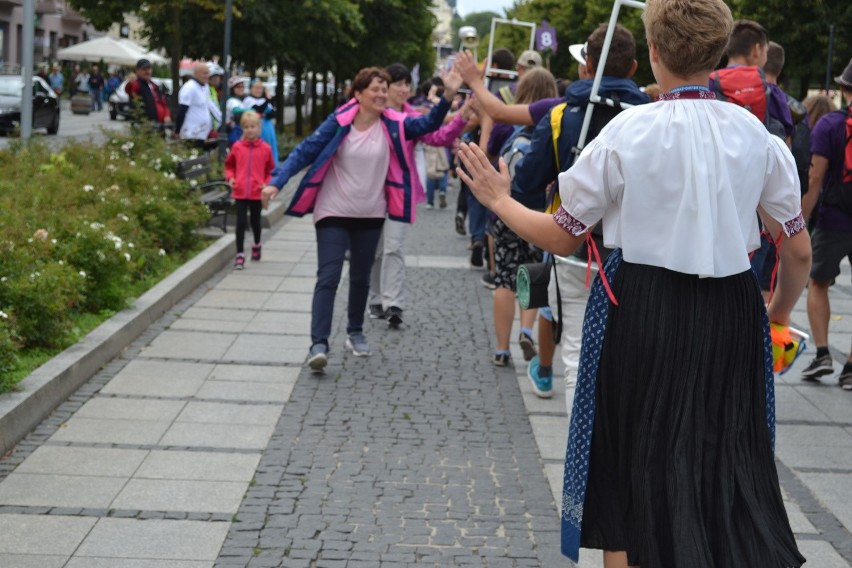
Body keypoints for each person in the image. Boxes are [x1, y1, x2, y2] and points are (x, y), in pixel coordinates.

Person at [457, 0, 810, 565]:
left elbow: (563, 236)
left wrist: (499, 200)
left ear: (653, 51)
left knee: (629, 465)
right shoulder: (758, 135)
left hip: (641, 307)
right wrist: (777, 314)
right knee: (725, 458)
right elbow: (796, 248)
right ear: (718, 53)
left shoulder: (626, 133)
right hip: (732, 309)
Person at [261, 66, 462, 371]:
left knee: (359, 278)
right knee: (328, 277)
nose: (383, 94)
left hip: (370, 214)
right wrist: (278, 180)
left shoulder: (395, 125)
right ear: (358, 94)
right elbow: (306, 151)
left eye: (385, 89)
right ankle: (319, 344)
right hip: (333, 212)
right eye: (376, 90)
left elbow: (429, 124)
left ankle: (355, 332)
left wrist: (448, 95)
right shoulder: (339, 122)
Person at [512, 23, 649, 402]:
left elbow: (525, 186)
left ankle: (580, 458)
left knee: (576, 354)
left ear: (587, 64)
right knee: (629, 360)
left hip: (573, 249)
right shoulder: (655, 119)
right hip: (637, 253)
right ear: (635, 67)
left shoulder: (561, 116)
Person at [367, 63, 470, 328]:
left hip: (399, 191)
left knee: (394, 247)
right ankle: (376, 298)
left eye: (406, 84)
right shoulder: (373, 115)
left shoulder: (413, 116)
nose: (403, 89)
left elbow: (438, 136)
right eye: (397, 84)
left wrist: (462, 117)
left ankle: (394, 304)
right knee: (375, 250)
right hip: (370, 192)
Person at [800, 58, 852, 390]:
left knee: (818, 283)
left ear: (845, 90)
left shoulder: (829, 125)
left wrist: (800, 222)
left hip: (834, 219)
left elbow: (815, 177)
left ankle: (822, 353)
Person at [225, 111, 276, 270]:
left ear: (259, 128)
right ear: (242, 129)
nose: (250, 130)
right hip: (240, 191)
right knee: (240, 223)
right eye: (246, 127)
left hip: (256, 192)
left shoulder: (266, 149)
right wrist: (231, 178)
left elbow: (271, 171)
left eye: (253, 127)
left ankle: (257, 244)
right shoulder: (237, 147)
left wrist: (266, 183)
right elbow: (229, 166)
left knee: (255, 222)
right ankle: (240, 254)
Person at [176, 62, 221, 148]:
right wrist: (177, 130)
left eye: (208, 73)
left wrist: (222, 120)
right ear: (196, 73)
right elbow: (182, 109)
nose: (207, 76)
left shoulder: (205, 87)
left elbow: (211, 106)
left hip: (202, 134)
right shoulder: (189, 87)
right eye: (204, 73)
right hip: (190, 134)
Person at [242, 80, 279, 166]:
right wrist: (267, 101)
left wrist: (268, 103)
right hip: (256, 130)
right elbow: (258, 109)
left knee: (270, 148)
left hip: (268, 128)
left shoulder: (263, 100)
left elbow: (273, 114)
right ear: (251, 89)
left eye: (260, 88)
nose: (258, 90)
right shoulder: (248, 100)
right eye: (256, 88)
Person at [125, 58, 172, 127]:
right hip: (145, 126)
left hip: (160, 125)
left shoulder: (154, 85)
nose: (147, 71)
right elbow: (129, 90)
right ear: (137, 71)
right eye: (144, 69)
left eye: (149, 69)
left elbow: (163, 102)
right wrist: (130, 83)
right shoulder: (137, 84)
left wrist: (167, 115)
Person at [226, 76, 247, 146]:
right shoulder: (231, 100)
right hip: (233, 133)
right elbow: (236, 111)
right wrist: (252, 110)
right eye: (238, 86)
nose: (241, 88)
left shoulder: (240, 100)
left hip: (239, 131)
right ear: (232, 89)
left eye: (242, 86)